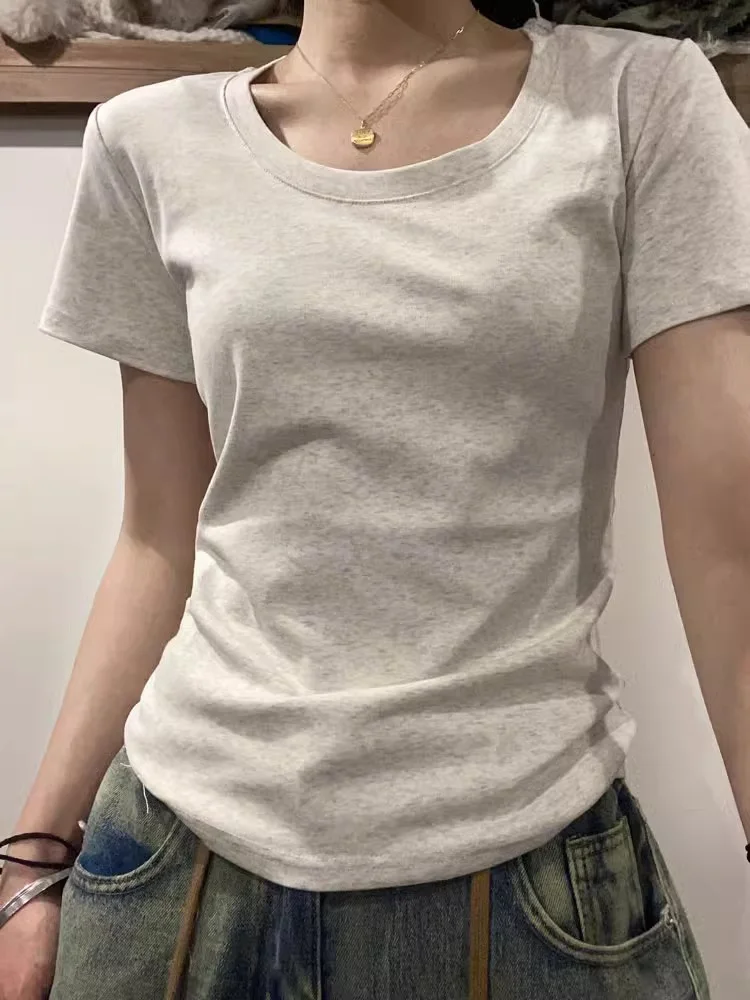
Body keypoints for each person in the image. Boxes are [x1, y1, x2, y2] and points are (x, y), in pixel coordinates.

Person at [1, 0, 749, 996]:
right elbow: (156, 539)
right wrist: (33, 855)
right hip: (170, 867)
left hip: (522, 870)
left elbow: (729, 549)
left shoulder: (635, 101)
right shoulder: (148, 139)